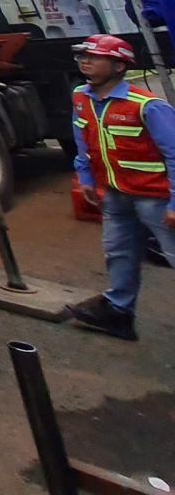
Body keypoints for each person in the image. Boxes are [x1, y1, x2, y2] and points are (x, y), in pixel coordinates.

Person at [66, 34, 175, 342]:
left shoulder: (147, 106)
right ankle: (118, 312)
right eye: (82, 56)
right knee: (119, 252)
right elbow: (82, 141)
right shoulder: (81, 97)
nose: (85, 62)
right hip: (115, 195)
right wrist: (86, 178)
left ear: (118, 66)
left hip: (155, 198)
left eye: (94, 57)